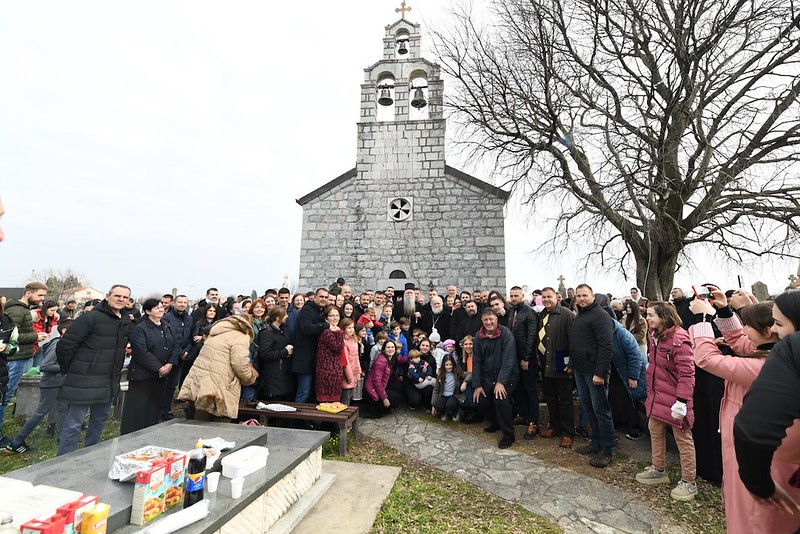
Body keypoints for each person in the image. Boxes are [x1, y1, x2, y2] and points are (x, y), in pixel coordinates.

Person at [690, 290, 800, 532]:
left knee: (754, 520)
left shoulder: (768, 369)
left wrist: (703, 321)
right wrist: (725, 311)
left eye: (779, 322)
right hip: (753, 459)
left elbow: (707, 359)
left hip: (764, 466)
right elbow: (742, 340)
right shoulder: (776, 353)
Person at [734, 290, 800, 518]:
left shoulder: (788, 352)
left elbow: (752, 431)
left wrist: (759, 485)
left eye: (779, 324)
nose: (773, 330)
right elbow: (741, 341)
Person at [56, 285, 133, 455]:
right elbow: (65, 346)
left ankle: (91, 456)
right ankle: (63, 461)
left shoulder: (125, 320)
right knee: (74, 424)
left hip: (108, 380)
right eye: (117, 295)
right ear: (107, 296)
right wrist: (73, 369)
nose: (121, 299)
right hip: (84, 379)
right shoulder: (90, 318)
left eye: (125, 297)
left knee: (99, 421)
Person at [636, 302, 697, 501]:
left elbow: (687, 374)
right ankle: (658, 469)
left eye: (652, 315)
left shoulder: (679, 339)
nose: (648, 318)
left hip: (675, 398)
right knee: (655, 429)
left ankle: (689, 482)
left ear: (664, 316)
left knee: (683, 439)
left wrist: (681, 401)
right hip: (657, 396)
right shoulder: (654, 336)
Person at [6, 319, 72, 454]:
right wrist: (67, 368)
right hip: (51, 384)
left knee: (63, 409)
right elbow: (45, 366)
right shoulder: (57, 345)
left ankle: (63, 439)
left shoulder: (64, 344)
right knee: (41, 412)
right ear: (65, 331)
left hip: (59, 383)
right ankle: (16, 442)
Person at [178, 314, 259, 422]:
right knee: (221, 423)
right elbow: (239, 363)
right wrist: (250, 377)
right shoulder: (241, 336)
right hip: (222, 384)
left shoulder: (215, 332)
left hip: (203, 380)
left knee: (200, 419)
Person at [569, 284, 616, 468]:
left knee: (601, 411)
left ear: (592, 296)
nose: (581, 298)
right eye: (579, 296)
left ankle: (607, 449)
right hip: (581, 370)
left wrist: (600, 373)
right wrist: (572, 364)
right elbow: (577, 341)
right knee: (588, 408)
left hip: (594, 372)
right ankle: (596, 441)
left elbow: (606, 346)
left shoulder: (601, 316)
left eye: (585, 295)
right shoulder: (581, 314)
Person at [0, 282, 49, 443]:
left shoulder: (23, 310)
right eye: (40, 295)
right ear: (28, 293)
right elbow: (9, 336)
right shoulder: (16, 311)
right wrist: (35, 336)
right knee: (4, 397)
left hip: (21, 357)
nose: (43, 299)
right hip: (14, 360)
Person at [121, 299, 179, 435]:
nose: (161, 310)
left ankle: (149, 433)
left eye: (161, 307)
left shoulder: (167, 326)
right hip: (143, 375)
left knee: (154, 407)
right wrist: (159, 368)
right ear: (148, 311)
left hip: (161, 375)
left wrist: (170, 363)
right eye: (156, 308)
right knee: (138, 409)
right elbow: (141, 351)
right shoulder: (141, 328)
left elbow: (176, 346)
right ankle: (132, 436)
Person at [473, 308, 518, 449]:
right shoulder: (478, 336)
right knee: (480, 400)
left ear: (496, 319)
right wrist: (477, 385)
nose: (488, 322)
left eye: (491, 319)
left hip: (506, 377)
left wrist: (501, 382)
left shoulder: (506, 334)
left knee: (500, 399)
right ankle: (497, 421)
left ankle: (508, 435)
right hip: (487, 377)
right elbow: (477, 362)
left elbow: (508, 361)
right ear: (482, 321)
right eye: (485, 319)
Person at [537, 287, 576, 448]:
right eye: (544, 297)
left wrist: (571, 363)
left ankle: (567, 432)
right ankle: (554, 426)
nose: (546, 299)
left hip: (561, 362)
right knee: (551, 398)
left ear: (557, 297)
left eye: (549, 297)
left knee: (565, 399)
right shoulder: (542, 315)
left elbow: (574, 340)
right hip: (545, 363)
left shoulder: (567, 315)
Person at [506, 286, 540, 440]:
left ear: (522, 295)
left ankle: (534, 422)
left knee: (530, 390)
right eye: (512, 296)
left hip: (527, 359)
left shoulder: (529, 313)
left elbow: (532, 336)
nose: (513, 298)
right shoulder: (512, 312)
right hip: (513, 357)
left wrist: (526, 358)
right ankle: (523, 414)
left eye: (516, 296)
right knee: (518, 388)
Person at [293, 288, 334, 403]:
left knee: (310, 392)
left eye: (326, 297)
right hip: (304, 359)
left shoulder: (320, 310)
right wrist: (325, 325)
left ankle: (305, 419)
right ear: (315, 297)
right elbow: (306, 328)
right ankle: (296, 419)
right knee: (303, 391)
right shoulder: (307, 310)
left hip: (313, 359)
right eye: (321, 297)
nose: (323, 299)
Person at [609, 321, 647, 440]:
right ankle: (620, 422)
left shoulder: (622, 334)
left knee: (630, 400)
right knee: (616, 398)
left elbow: (635, 356)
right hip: (618, 372)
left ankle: (635, 428)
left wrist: (633, 377)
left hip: (631, 372)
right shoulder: (606, 332)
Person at [160, 295, 193, 421]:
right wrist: (179, 351)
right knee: (164, 385)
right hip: (169, 356)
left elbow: (190, 337)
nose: (182, 304)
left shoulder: (189, 318)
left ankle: (166, 410)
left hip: (182, 357)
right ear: (174, 303)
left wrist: (187, 351)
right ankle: (159, 410)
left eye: (185, 302)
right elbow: (170, 338)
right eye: (180, 302)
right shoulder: (167, 318)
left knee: (172, 385)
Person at [257, 306, 295, 402]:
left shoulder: (281, 330)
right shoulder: (267, 333)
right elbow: (265, 353)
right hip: (273, 376)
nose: (287, 316)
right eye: (285, 315)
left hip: (282, 374)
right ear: (278, 318)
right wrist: (285, 352)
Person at [363, 340, 402, 419]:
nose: (390, 349)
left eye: (392, 347)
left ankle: (384, 407)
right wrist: (384, 398)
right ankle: (376, 408)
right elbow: (377, 382)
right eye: (388, 347)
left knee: (400, 388)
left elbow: (402, 360)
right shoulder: (381, 361)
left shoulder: (391, 358)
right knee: (398, 398)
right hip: (372, 390)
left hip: (382, 385)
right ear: (384, 349)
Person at [315, 306, 347, 403]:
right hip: (326, 371)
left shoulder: (334, 331)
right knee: (325, 402)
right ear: (326, 318)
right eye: (332, 315)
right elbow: (338, 348)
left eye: (337, 315)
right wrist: (339, 332)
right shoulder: (326, 332)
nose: (335, 318)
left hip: (335, 370)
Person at [431, 354, 464, 421]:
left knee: (450, 404)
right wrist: (433, 404)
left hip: (454, 395)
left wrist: (465, 382)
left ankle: (455, 412)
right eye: (447, 365)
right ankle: (444, 413)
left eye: (451, 364)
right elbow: (436, 389)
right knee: (438, 405)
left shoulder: (458, 372)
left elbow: (469, 374)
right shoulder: (440, 374)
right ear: (443, 365)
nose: (449, 367)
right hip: (443, 395)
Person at [340, 318, 362, 405]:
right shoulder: (343, 342)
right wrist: (349, 377)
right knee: (345, 398)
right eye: (349, 328)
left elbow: (356, 357)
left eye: (352, 327)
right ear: (343, 329)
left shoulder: (354, 340)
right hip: (347, 374)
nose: (351, 330)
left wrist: (359, 371)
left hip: (354, 371)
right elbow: (346, 362)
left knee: (350, 397)